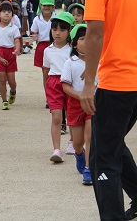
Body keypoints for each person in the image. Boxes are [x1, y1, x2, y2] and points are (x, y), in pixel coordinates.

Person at [80, 0, 137, 219]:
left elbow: (94, 32)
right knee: (112, 141)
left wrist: (89, 82)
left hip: (118, 80)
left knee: (103, 158)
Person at [61, 24, 96, 185]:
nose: (87, 41)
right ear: (74, 44)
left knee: (90, 136)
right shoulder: (70, 63)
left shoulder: (100, 62)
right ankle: (79, 154)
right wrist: (80, 96)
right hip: (75, 105)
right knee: (77, 142)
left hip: (94, 104)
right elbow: (65, 86)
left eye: (90, 38)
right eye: (83, 39)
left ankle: (88, 168)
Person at [42, 12, 75, 163]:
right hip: (54, 84)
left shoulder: (72, 50)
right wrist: (46, 89)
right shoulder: (47, 50)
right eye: (54, 29)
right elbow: (45, 71)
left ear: (69, 31)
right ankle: (56, 149)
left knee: (72, 116)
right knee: (56, 117)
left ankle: (73, 142)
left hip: (70, 83)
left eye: (62, 30)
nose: (57, 33)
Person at [0, 1, 22, 110]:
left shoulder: (14, 28)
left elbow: (17, 40)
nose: (7, 14)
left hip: (10, 53)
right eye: (4, 11)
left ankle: (13, 91)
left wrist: (17, 48)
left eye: (9, 12)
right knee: (2, 79)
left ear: (12, 15)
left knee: (12, 81)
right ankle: (4, 101)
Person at [30, 0, 55, 100]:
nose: (46, 7)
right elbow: (33, 32)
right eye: (44, 5)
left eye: (49, 5)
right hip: (42, 47)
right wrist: (34, 36)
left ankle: (55, 95)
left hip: (54, 46)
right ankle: (48, 97)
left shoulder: (56, 18)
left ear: (53, 7)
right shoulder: (37, 19)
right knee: (46, 73)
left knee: (55, 73)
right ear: (40, 6)